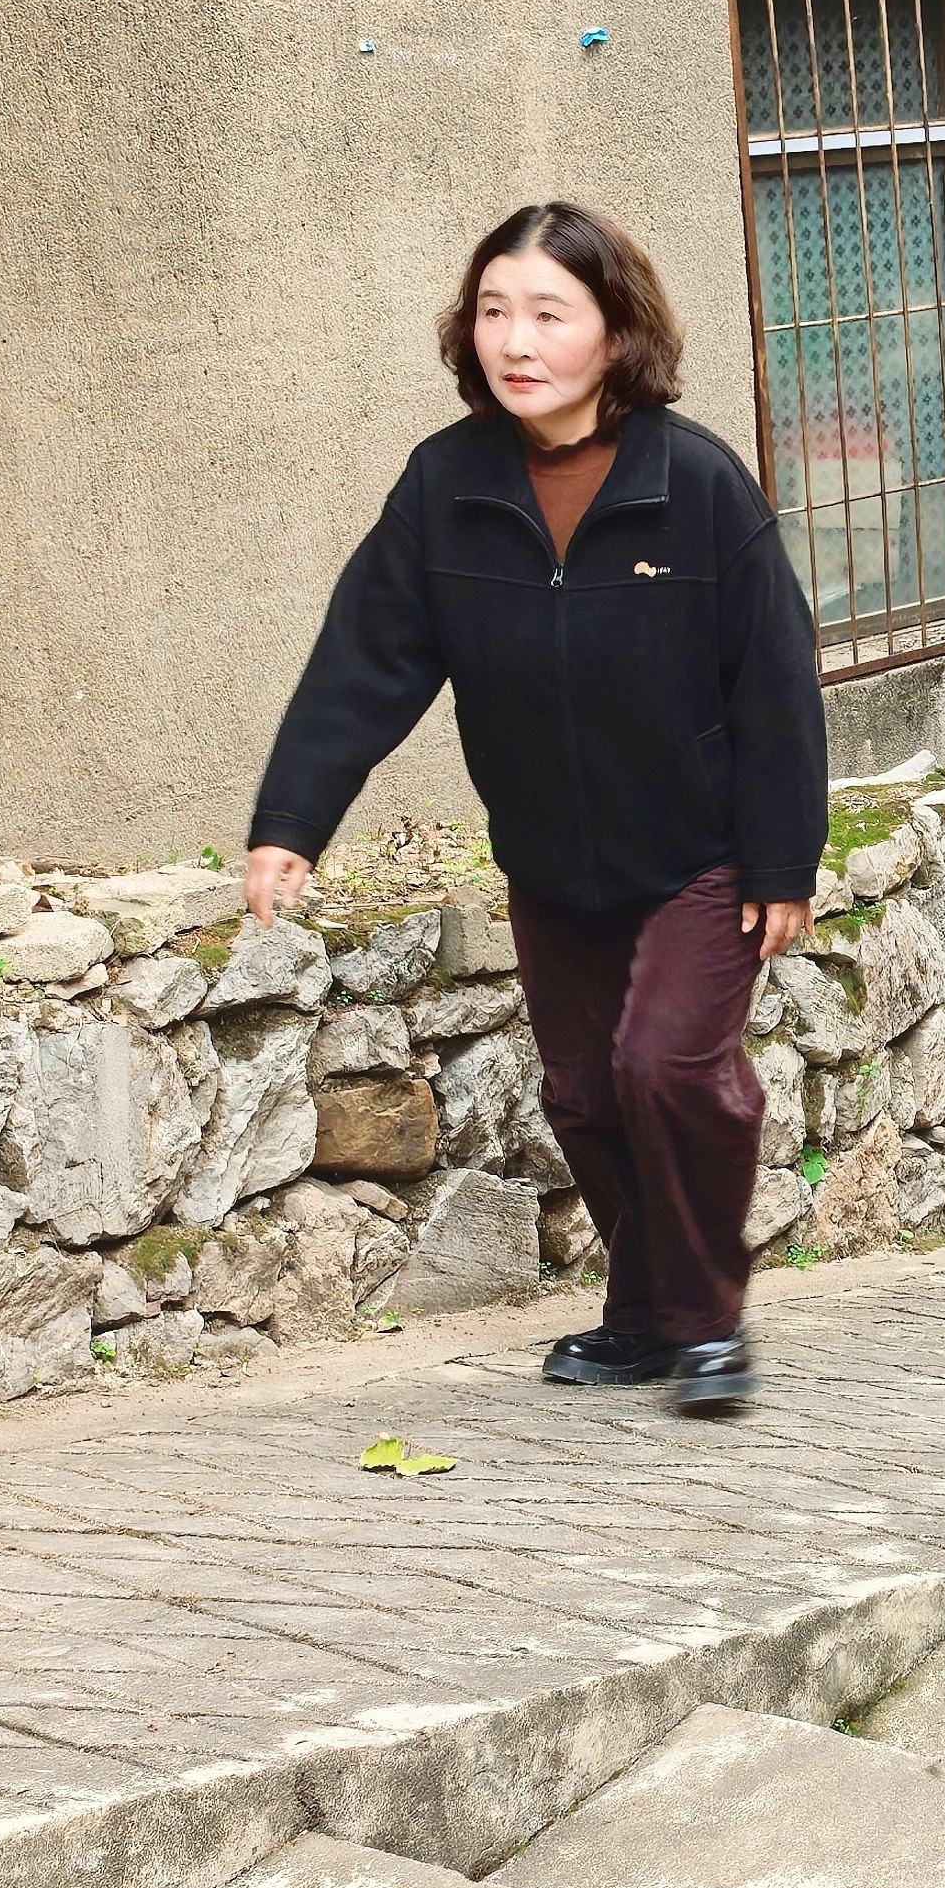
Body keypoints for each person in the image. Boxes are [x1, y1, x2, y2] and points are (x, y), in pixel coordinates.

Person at [247, 203, 825, 1417]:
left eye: (549, 313)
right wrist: (293, 819)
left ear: (615, 332)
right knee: (584, 1095)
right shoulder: (446, 486)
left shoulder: (696, 483)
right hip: (553, 862)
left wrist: (783, 857)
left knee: (666, 1065)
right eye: (494, 311)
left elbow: (775, 680)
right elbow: (365, 660)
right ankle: (649, 1307)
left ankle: (707, 1320)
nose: (515, 340)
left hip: (702, 854)